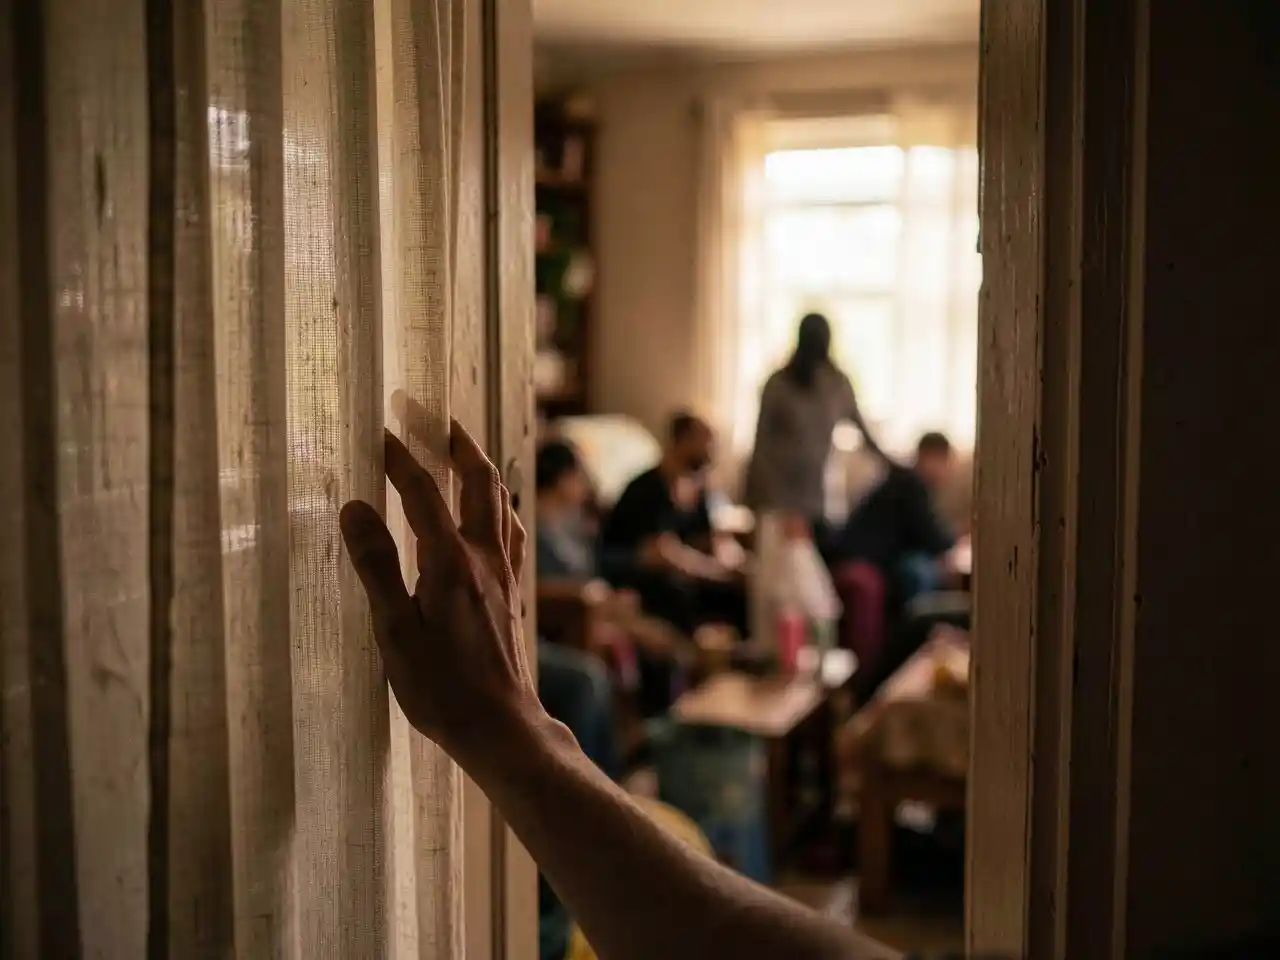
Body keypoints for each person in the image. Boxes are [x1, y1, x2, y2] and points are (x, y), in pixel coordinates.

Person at [338, 420, 896, 960]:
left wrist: (510, 729)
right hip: (580, 625)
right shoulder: (632, 498)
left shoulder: (634, 508)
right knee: (598, 672)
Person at [744, 312, 891, 648]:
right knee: (774, 591)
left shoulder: (836, 384)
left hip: (818, 504)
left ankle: (815, 662)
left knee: (813, 596)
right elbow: (762, 450)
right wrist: (777, 507)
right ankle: (772, 657)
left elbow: (862, 429)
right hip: (779, 504)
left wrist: (894, 465)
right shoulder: (778, 385)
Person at [600, 412, 748, 644]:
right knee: (678, 590)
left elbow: (710, 538)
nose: (711, 450)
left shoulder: (698, 490)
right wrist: (718, 572)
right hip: (639, 575)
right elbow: (663, 552)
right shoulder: (646, 490)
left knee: (744, 593)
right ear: (682, 441)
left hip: (689, 571)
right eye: (705, 441)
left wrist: (734, 561)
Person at [824, 431, 959, 610]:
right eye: (945, 462)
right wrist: (958, 536)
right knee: (920, 571)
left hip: (866, 555)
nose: (947, 471)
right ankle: (920, 624)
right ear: (931, 458)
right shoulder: (910, 484)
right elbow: (931, 538)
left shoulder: (905, 481)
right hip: (864, 557)